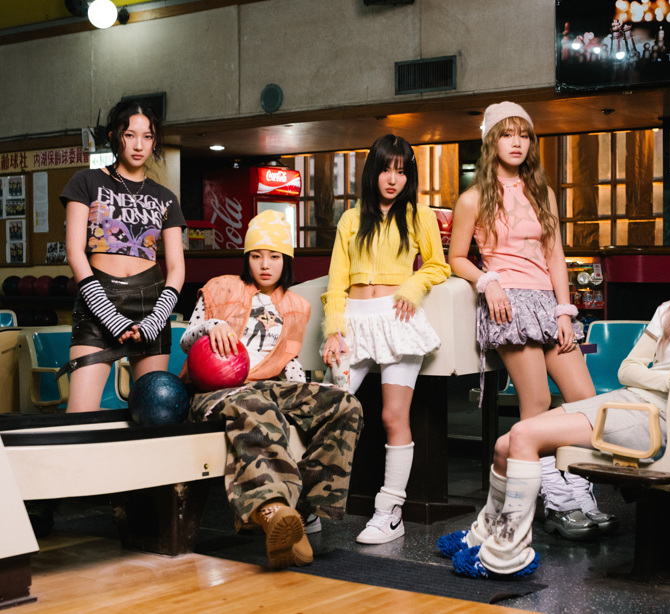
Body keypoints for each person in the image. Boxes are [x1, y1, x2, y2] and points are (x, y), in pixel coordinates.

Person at [440, 227, 670, 578]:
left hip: (661, 419)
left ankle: (506, 554)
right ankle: (482, 535)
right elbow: (628, 370)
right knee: (505, 444)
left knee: (522, 435)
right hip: (628, 401)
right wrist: (668, 380)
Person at [445, 101, 609, 543]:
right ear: (491, 141)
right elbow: (456, 257)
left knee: (586, 402)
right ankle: (553, 497)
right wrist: (488, 281)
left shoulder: (543, 193)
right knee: (534, 404)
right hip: (508, 305)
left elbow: (555, 254)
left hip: (547, 304)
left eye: (523, 135)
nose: (516, 143)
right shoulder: (472, 199)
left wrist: (565, 310)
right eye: (507, 134)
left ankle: (577, 485)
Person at [179, 210, 364, 570]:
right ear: (246, 258)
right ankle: (272, 509)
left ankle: (302, 512)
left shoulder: (296, 306)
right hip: (217, 389)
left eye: (275, 257)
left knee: (346, 404)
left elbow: (287, 361)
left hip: (268, 386)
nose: (265, 265)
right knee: (255, 405)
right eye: (256, 256)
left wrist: (311, 392)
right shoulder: (221, 287)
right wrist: (211, 326)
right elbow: (187, 339)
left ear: (286, 260)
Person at [320, 134, 451, 544]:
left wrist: (412, 287)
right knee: (326, 408)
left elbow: (438, 265)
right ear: (372, 172)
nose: (393, 179)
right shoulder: (351, 219)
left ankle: (389, 513)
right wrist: (333, 330)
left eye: (401, 170)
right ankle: (310, 505)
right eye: (385, 169)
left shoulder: (419, 215)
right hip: (354, 323)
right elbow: (337, 282)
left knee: (393, 417)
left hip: (397, 318)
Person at [61, 100, 185, 413]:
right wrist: (110, 317)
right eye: (130, 135)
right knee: (79, 418)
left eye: (147, 136)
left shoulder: (166, 198)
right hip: (98, 300)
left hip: (152, 305)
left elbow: (176, 268)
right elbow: (74, 253)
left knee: (153, 416)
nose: (139, 145)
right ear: (115, 136)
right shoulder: (86, 182)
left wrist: (156, 320)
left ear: (155, 141)